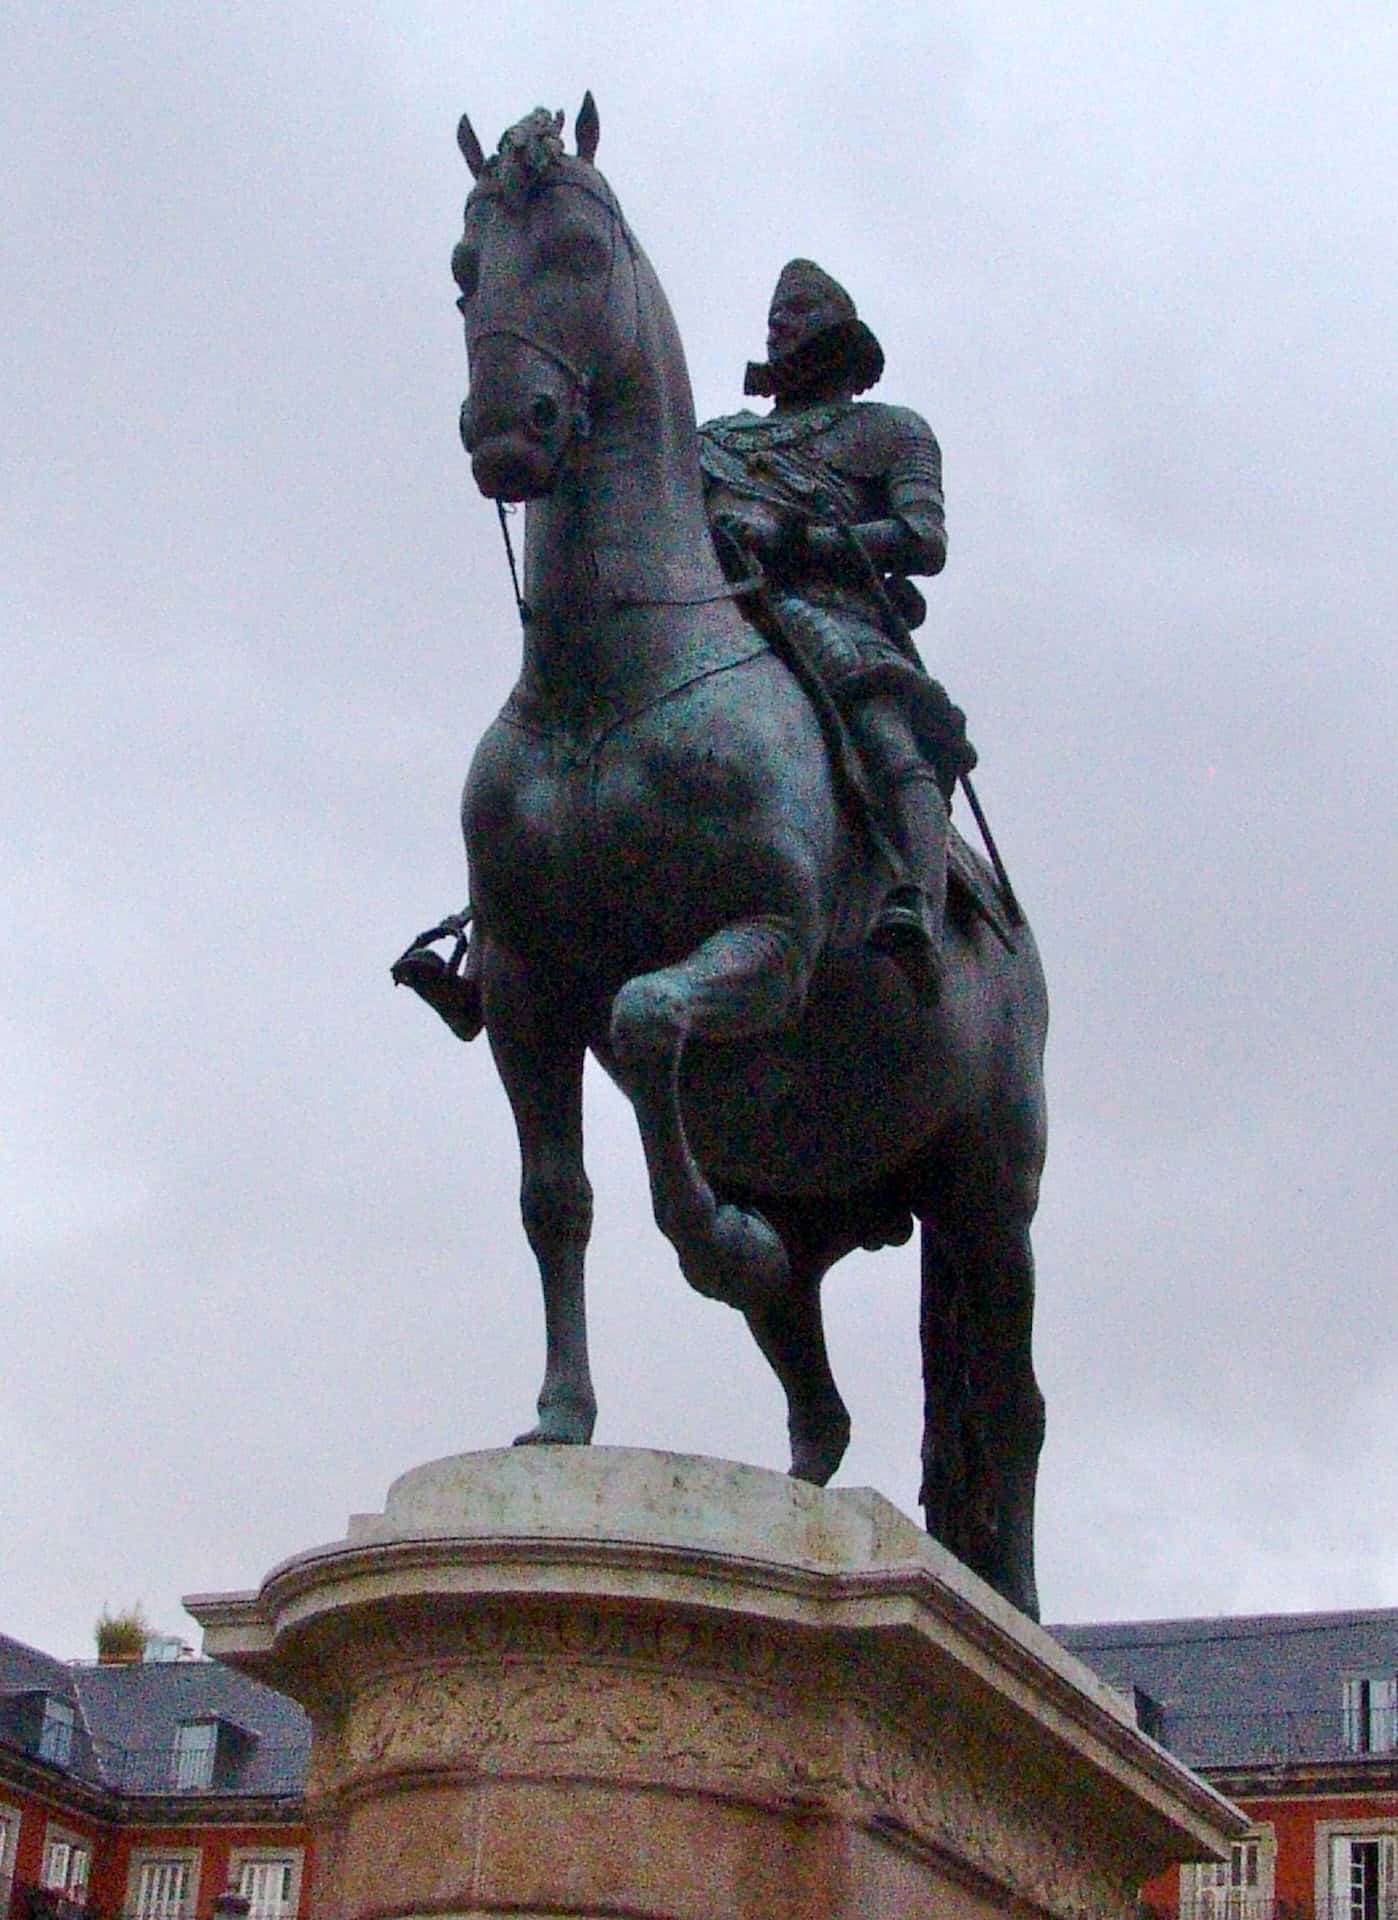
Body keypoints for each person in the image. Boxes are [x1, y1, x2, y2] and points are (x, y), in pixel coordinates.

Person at [698, 259, 971, 999]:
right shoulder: (716, 439)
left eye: (798, 310)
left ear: (839, 334)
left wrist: (804, 540)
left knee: (879, 720)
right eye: (773, 312)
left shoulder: (892, 432)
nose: (777, 323)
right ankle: (499, 931)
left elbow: (924, 538)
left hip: (827, 609)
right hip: (710, 609)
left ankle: (918, 894)